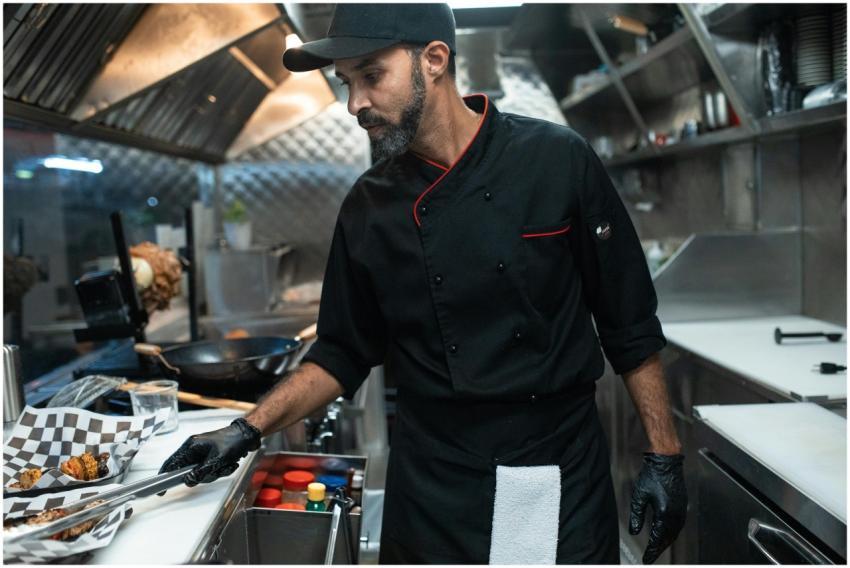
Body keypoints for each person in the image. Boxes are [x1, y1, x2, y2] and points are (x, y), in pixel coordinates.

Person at [160, 4, 687, 564]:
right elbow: (340, 352)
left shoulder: (558, 160)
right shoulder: (369, 205)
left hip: (552, 466)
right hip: (433, 482)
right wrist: (246, 430)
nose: (355, 103)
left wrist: (664, 455)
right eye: (346, 83)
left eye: (371, 75)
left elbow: (628, 321)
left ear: (434, 60)